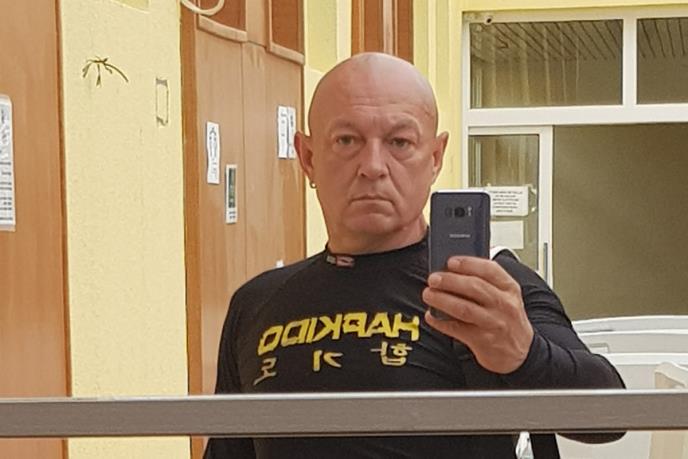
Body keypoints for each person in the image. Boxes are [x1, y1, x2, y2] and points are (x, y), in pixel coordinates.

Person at [204, 52, 624, 458]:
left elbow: (610, 415)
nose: (373, 165)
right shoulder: (257, 303)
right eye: (347, 140)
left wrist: (524, 355)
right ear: (308, 157)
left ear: (435, 158)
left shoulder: (484, 287)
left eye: (399, 142)